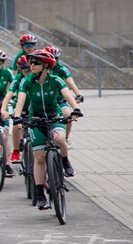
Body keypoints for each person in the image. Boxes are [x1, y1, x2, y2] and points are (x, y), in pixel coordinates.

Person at [12, 48, 81, 209]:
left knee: (59, 139)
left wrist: (75, 109)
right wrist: (17, 116)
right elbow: (21, 99)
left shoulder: (56, 80)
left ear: (45, 65)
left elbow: (67, 95)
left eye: (36, 63)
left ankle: (65, 161)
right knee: (39, 158)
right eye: (31, 62)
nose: (32, 65)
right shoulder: (26, 81)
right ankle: (40, 193)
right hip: (35, 119)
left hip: (54, 116)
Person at [43, 45, 84, 140]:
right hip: (44, 101)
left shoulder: (61, 69)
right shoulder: (41, 69)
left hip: (60, 100)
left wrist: (78, 94)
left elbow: (70, 82)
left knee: (68, 114)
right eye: (51, 57)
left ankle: (66, 137)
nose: (54, 60)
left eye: (56, 58)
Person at [1, 54, 33, 165]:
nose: (28, 72)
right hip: (21, 109)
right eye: (25, 70)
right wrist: (4, 109)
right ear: (20, 69)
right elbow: (9, 94)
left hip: (34, 110)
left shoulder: (37, 78)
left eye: (30, 69)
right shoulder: (18, 79)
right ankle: (16, 150)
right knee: (16, 124)